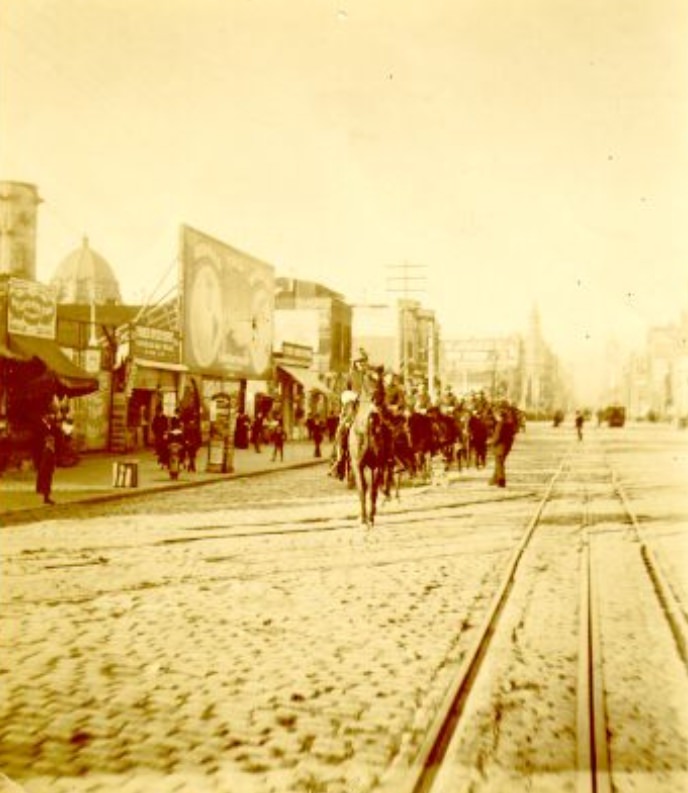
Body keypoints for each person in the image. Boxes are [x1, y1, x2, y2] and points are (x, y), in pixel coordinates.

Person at [489, 399, 517, 488]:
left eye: (496, 416)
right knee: (499, 462)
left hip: (500, 447)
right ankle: (494, 479)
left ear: (499, 416)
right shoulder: (509, 424)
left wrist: (490, 442)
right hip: (507, 446)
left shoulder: (500, 424)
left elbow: (497, 437)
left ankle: (501, 480)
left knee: (499, 463)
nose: (495, 417)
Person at [35, 412, 60, 505]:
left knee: (49, 475)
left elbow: (56, 437)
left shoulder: (52, 426)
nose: (51, 416)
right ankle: (44, 494)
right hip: (42, 454)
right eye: (49, 415)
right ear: (44, 416)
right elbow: (36, 443)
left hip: (50, 454)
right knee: (43, 474)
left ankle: (46, 495)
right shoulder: (39, 426)